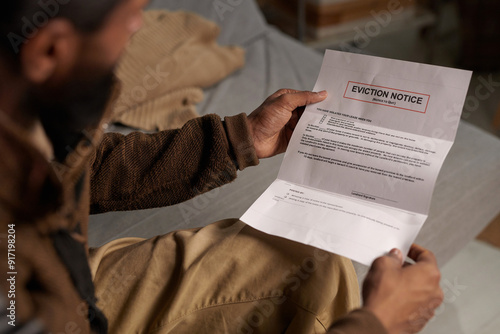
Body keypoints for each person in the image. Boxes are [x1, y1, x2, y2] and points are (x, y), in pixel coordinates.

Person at [0, 0, 443, 333]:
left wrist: (239, 139)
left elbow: (79, 170)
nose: (139, 28)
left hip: (66, 281)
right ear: (49, 49)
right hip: (45, 311)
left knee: (309, 262)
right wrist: (379, 323)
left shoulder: (25, 109)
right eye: (131, 15)